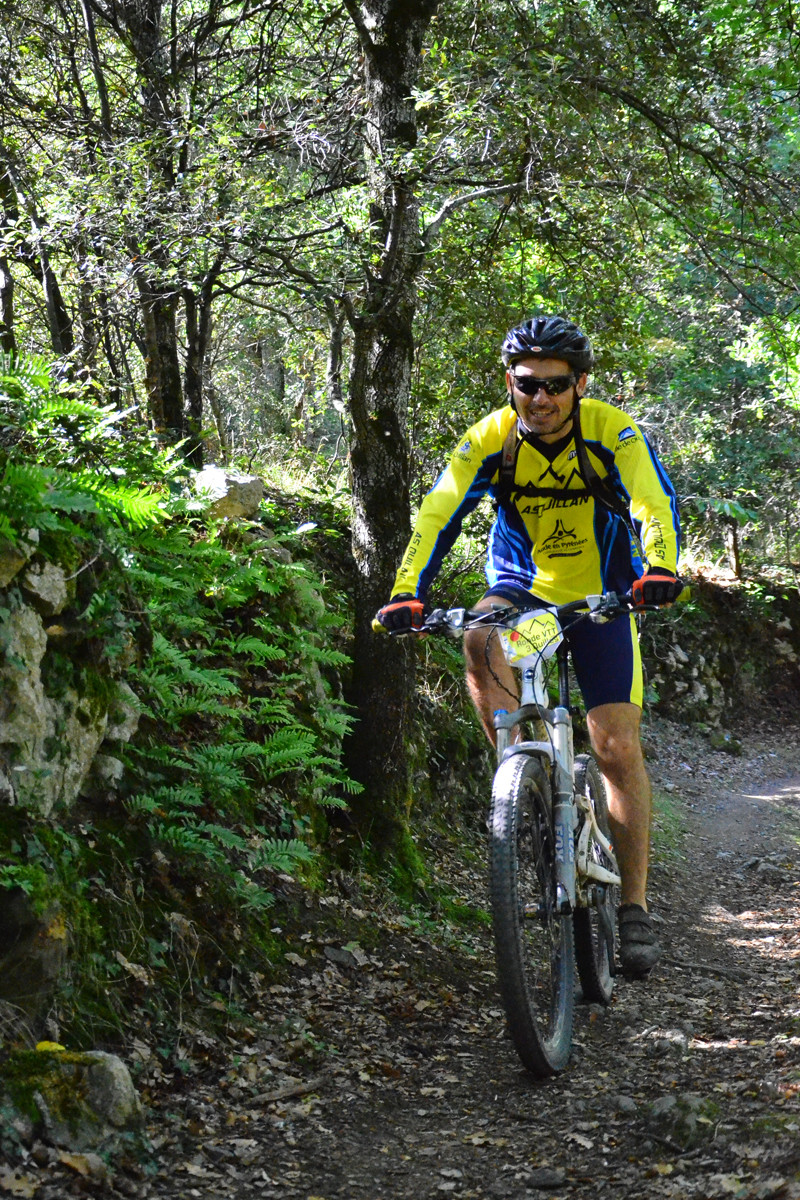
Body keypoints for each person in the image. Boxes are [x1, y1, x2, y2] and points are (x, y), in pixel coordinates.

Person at [375, 315, 682, 977]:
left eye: (555, 385)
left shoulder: (610, 431)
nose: (539, 399)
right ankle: (521, 783)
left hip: (604, 593)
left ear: (579, 386)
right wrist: (407, 591)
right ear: (509, 383)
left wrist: (658, 567)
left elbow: (652, 498)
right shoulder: (491, 439)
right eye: (526, 384)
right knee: (480, 637)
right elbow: (439, 509)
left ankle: (633, 907)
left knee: (616, 746)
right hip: (522, 589)